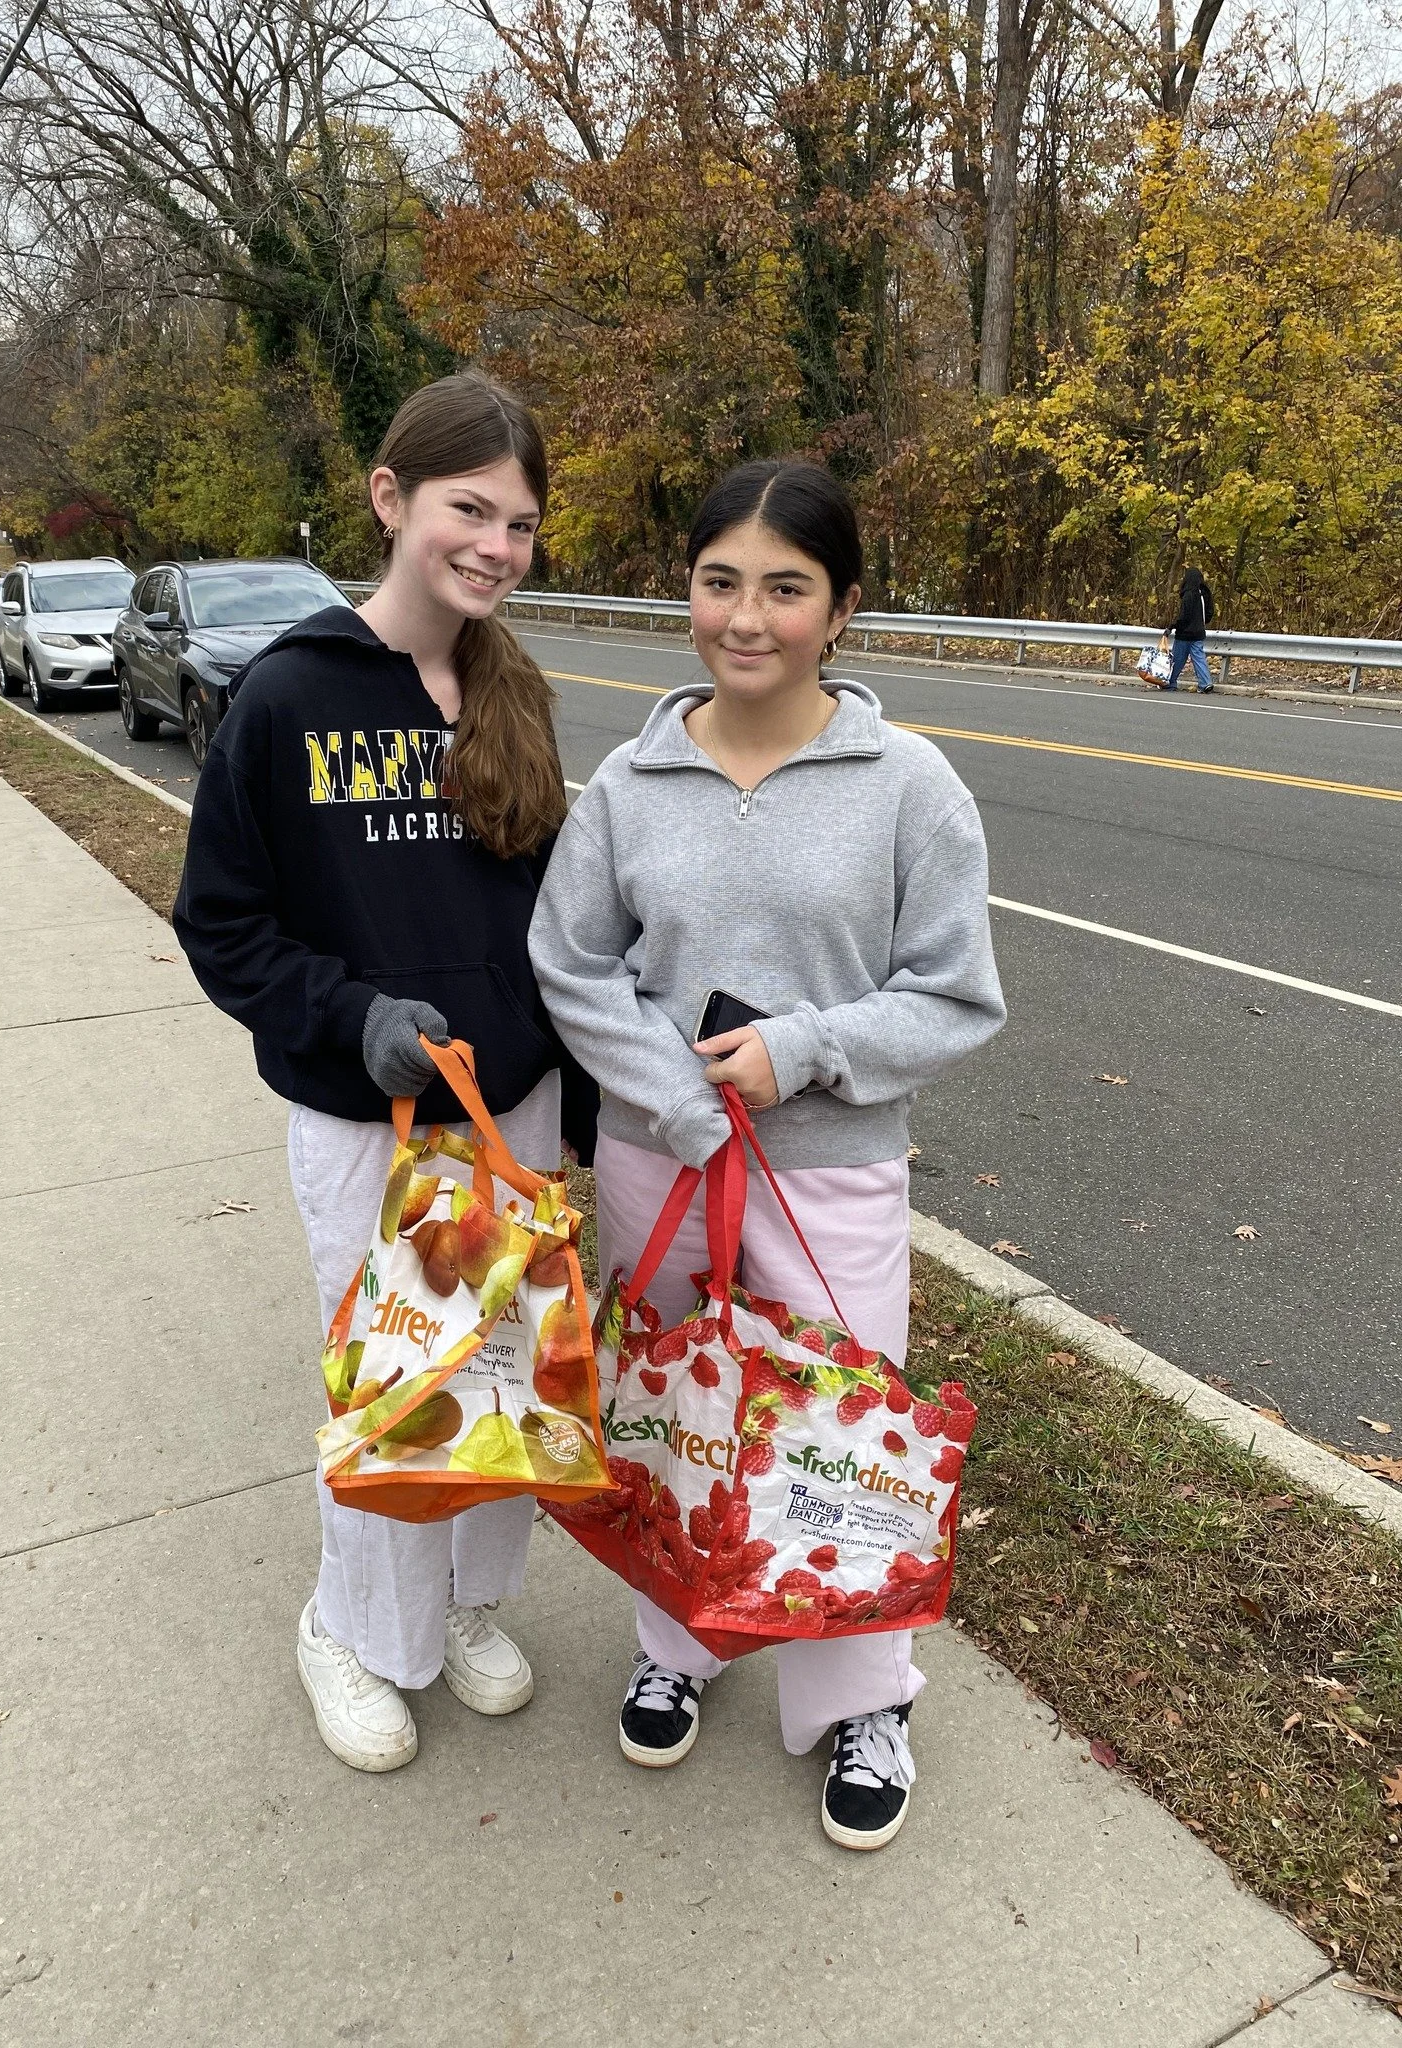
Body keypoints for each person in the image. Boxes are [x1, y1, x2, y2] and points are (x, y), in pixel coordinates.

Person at [529, 458, 1006, 1850]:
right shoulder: (631, 780)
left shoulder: (911, 787)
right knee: (672, 1408)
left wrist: (801, 1052)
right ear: (687, 592)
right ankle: (677, 1642)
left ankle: (864, 1695)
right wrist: (675, 1104)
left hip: (830, 1171)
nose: (747, 617)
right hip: (656, 1164)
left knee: (834, 1435)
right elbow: (572, 963)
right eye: (719, 581)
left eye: (785, 588)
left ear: (842, 608)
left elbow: (956, 991)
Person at [174, 371, 593, 1775]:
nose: (494, 545)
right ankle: (349, 1629)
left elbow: (557, 932)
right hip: (374, 1119)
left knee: (505, 1378)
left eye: (521, 523)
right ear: (390, 499)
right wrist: (348, 1013)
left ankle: (469, 1610)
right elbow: (221, 924)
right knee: (399, 1382)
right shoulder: (288, 695)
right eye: (469, 509)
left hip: (509, 1109)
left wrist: (581, 1087)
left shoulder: (509, 692)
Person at [1164, 566, 1215, 691]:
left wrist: (1172, 626)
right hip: (1198, 632)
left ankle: (1170, 682)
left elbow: (1184, 616)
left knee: (1177, 659)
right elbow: (1209, 612)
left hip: (1184, 634)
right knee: (1199, 658)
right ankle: (1205, 683)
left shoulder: (1188, 595)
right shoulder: (1204, 594)